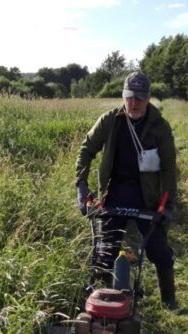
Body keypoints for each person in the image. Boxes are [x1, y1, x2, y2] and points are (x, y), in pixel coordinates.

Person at [74, 71, 178, 309]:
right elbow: (86, 150)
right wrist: (82, 188)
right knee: (105, 253)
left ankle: (170, 302)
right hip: (114, 193)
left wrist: (167, 207)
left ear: (148, 97)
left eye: (140, 98)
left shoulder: (159, 127)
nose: (134, 103)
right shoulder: (110, 121)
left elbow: (169, 171)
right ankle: (100, 306)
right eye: (130, 97)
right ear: (123, 95)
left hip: (147, 198)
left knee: (158, 252)